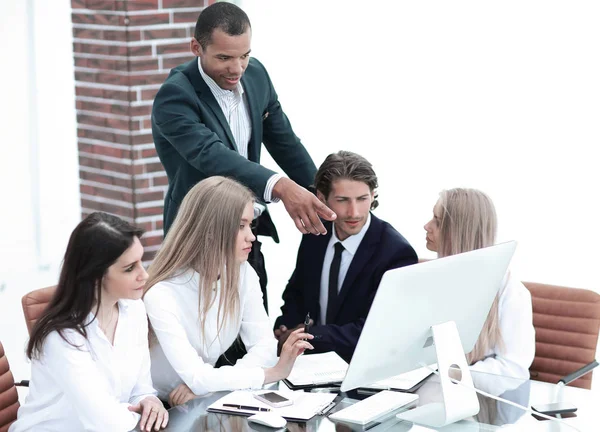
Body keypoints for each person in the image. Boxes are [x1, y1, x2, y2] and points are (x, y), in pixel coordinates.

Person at [151, 2, 335, 312]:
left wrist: (325, 197)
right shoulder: (174, 97)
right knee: (210, 337)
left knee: (255, 328)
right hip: (198, 238)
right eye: (224, 57)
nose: (237, 69)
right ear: (196, 47)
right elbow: (211, 156)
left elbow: (285, 141)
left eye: (244, 56)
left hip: (247, 233)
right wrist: (281, 187)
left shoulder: (257, 75)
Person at [143, 177, 313, 407]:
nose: (252, 236)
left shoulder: (243, 274)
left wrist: (212, 385)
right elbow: (198, 377)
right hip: (155, 409)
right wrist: (272, 373)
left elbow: (264, 347)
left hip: (197, 401)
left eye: (250, 225)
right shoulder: (162, 294)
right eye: (241, 226)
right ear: (211, 230)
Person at [10, 213, 168, 432]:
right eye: (130, 268)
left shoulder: (134, 309)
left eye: (141, 262)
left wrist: (151, 401)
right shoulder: (61, 337)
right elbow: (106, 422)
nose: (145, 275)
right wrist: (135, 411)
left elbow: (140, 389)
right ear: (95, 276)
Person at [273, 151, 418, 362]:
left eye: (362, 199)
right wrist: (286, 325)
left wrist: (303, 336)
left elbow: (373, 330)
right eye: (342, 200)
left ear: (373, 195)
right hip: (308, 368)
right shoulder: (316, 233)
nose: (354, 212)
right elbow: (297, 292)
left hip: (364, 369)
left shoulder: (396, 253)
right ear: (321, 198)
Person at [423, 188, 535, 387]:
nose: (426, 226)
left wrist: (447, 377)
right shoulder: (426, 278)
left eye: (438, 222)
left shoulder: (509, 292)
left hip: (480, 403)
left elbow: (512, 369)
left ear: (459, 231)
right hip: (426, 390)